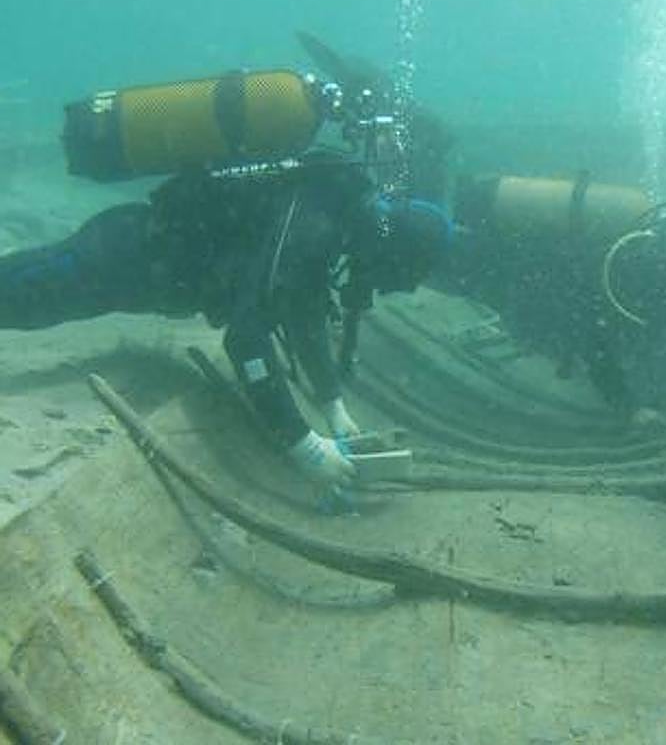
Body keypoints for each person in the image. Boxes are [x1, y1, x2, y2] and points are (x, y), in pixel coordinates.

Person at [0, 101, 454, 495]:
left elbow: (305, 315)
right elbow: (247, 338)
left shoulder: (332, 215)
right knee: (24, 299)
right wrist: (304, 445)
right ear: (392, 250)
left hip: (142, 264)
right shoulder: (315, 228)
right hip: (125, 258)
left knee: (28, 294)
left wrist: (333, 406)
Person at [441, 175, 666, 430]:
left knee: (444, 236)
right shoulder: (618, 287)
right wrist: (630, 407)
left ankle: (428, 214)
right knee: (444, 262)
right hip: (515, 275)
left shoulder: (646, 255)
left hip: (516, 244)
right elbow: (594, 346)